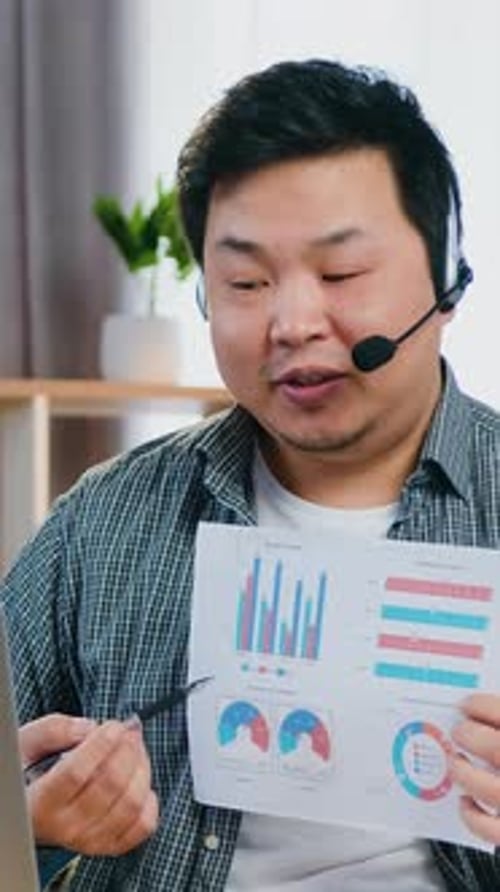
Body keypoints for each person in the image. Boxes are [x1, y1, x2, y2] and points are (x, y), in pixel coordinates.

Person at [3, 57, 500, 890]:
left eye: (341, 274)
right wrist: (27, 825)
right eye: (245, 281)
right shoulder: (104, 521)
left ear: (446, 282)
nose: (292, 323)